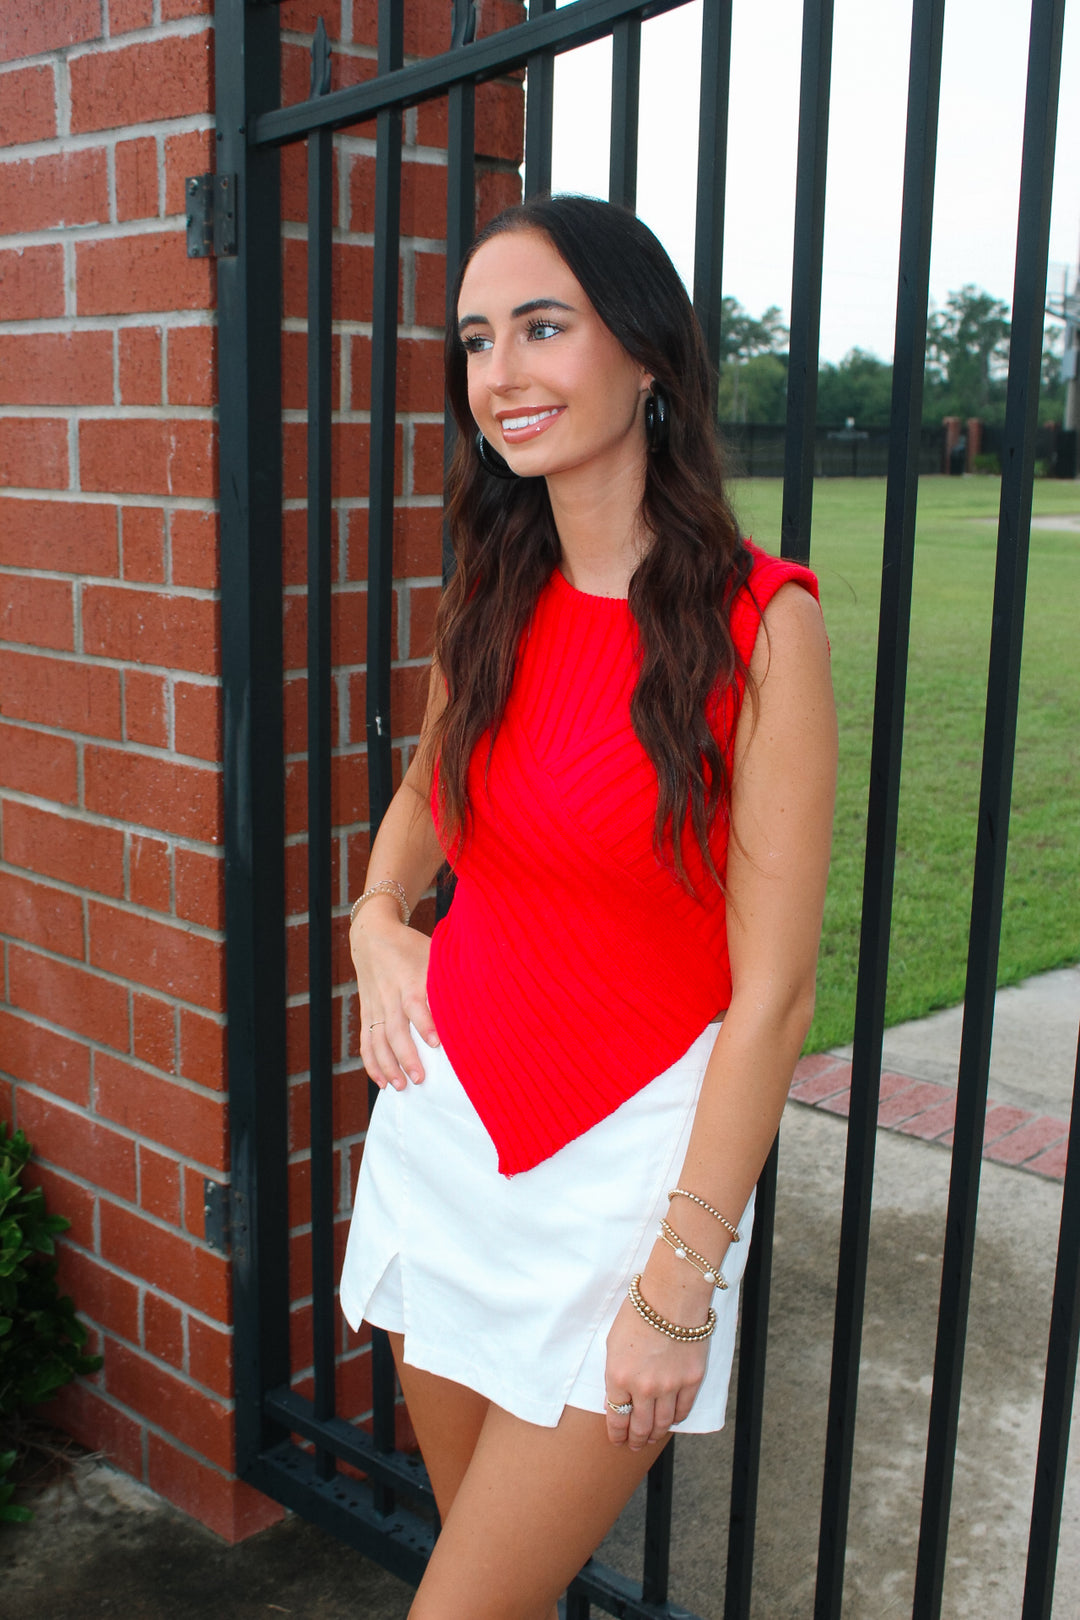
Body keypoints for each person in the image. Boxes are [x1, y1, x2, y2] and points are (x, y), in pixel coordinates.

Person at [340, 195, 836, 1620]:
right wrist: (379, 919)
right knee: (491, 1585)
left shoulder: (762, 626)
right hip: (443, 1140)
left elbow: (776, 999)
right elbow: (425, 811)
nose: (502, 375)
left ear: (646, 357)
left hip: (622, 1185)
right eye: (478, 342)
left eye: (543, 328)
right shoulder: (493, 588)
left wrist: (680, 1287)